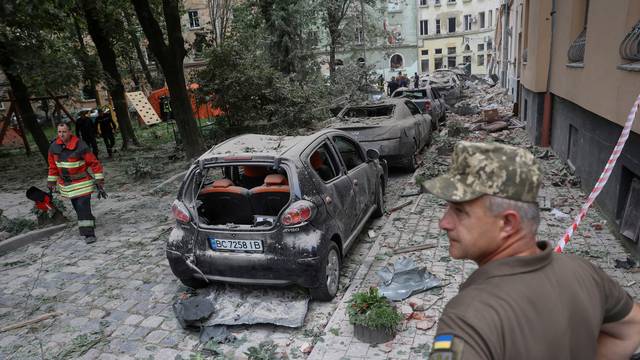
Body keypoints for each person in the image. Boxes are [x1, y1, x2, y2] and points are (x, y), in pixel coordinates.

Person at [421, 141, 640, 360]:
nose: (444, 222)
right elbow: (631, 328)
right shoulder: (584, 272)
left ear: (507, 223)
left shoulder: (467, 318)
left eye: (459, 211)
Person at [48, 122, 104, 244]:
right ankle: (89, 220)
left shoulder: (80, 145)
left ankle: (88, 233)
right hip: (68, 185)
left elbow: (94, 162)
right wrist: (51, 181)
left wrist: (99, 179)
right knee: (78, 208)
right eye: (59, 132)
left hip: (82, 182)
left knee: (82, 206)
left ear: (70, 132)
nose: (61, 134)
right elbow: (53, 166)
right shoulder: (53, 147)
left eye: (64, 132)